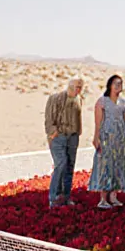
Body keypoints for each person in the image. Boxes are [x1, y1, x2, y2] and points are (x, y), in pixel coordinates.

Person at [87, 75, 125, 209]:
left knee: (119, 165)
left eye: (120, 83)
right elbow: (98, 122)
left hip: (121, 138)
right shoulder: (102, 101)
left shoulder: (124, 102)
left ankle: (113, 196)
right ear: (110, 85)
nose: (118, 86)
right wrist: (96, 138)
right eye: (116, 83)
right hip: (106, 137)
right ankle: (103, 199)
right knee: (105, 165)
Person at [44, 78, 84, 209]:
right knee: (60, 163)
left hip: (72, 137)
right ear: (70, 85)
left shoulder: (79, 100)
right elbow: (49, 119)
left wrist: (78, 132)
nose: (78, 89)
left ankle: (66, 197)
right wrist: (53, 133)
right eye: (76, 86)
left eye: (80, 87)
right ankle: (54, 197)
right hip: (59, 136)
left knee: (69, 166)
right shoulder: (55, 98)